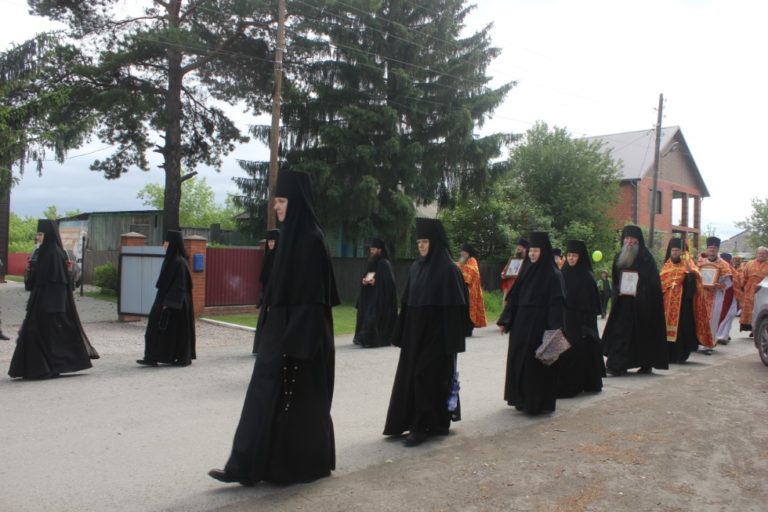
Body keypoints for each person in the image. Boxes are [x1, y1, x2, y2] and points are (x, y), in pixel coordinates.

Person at [209, 169, 338, 485]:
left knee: (299, 402)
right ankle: (244, 466)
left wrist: (295, 342)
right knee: (261, 397)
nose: (276, 207)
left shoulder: (312, 240)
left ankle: (294, 465)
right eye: (276, 201)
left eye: (282, 201)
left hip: (302, 337)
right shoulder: (287, 239)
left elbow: (314, 300)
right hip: (280, 332)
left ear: (296, 202)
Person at [383, 218, 466, 446]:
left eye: (425, 241)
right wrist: (399, 333)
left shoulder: (449, 270)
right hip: (415, 334)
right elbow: (407, 302)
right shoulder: (416, 268)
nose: (420, 246)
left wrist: (452, 343)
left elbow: (456, 310)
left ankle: (421, 428)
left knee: (425, 377)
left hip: (437, 337)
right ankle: (425, 423)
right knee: (412, 377)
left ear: (435, 242)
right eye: (418, 242)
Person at [9, 219, 99, 379]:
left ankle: (44, 368)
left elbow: (59, 283)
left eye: (40, 234)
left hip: (50, 305)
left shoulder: (54, 253)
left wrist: (54, 307)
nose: (37, 237)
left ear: (48, 234)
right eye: (37, 234)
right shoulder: (45, 252)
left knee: (41, 334)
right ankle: (39, 368)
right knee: (36, 333)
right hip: (41, 302)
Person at [497, 231, 565, 415]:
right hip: (520, 324)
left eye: (536, 251)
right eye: (531, 251)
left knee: (534, 364)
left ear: (544, 252)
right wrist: (505, 320)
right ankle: (519, 398)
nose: (533, 254)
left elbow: (556, 305)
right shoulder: (525, 270)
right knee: (518, 360)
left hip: (539, 325)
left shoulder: (554, 275)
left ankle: (535, 403)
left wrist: (553, 332)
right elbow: (514, 298)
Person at [601, 225, 668, 376]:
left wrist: (641, 291)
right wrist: (617, 291)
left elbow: (653, 282)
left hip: (642, 304)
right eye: (627, 239)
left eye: (632, 239)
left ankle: (645, 364)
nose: (629, 242)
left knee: (642, 334)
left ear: (638, 240)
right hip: (623, 303)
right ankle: (616, 365)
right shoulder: (619, 256)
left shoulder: (646, 257)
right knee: (620, 332)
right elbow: (616, 280)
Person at [137, 230, 196, 367]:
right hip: (165, 301)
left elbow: (180, 285)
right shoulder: (171, 260)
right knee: (155, 329)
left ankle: (177, 357)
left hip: (175, 304)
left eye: (167, 242)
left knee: (175, 332)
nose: (164, 245)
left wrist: (168, 303)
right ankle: (152, 357)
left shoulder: (180, 262)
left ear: (173, 244)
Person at [556, 239, 605, 398]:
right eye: (569, 255)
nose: (571, 258)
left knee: (580, 352)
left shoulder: (587, 277)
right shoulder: (562, 273)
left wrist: (586, 327)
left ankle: (581, 384)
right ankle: (565, 385)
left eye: (574, 255)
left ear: (580, 257)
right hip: (565, 320)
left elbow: (591, 306)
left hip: (581, 323)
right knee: (563, 352)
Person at [659, 238, 713, 363]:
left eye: (677, 250)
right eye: (673, 250)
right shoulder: (666, 266)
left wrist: (689, 274)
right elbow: (660, 283)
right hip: (666, 305)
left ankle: (680, 355)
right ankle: (667, 354)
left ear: (682, 252)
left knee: (682, 330)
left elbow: (696, 286)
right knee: (664, 329)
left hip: (683, 305)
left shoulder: (689, 266)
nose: (675, 253)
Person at [353, 238, 398, 348]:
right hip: (370, 297)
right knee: (363, 312)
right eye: (371, 249)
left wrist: (376, 282)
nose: (371, 251)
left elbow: (388, 284)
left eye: (373, 249)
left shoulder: (385, 264)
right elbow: (366, 275)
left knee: (372, 316)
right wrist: (364, 281)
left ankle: (372, 339)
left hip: (380, 300)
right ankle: (363, 338)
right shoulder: (371, 263)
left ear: (380, 250)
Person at [699, 237, 734, 347]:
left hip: (716, 296)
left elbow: (729, 282)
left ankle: (709, 344)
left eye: (714, 248)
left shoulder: (724, 264)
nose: (712, 250)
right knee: (701, 318)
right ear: (707, 249)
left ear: (717, 249)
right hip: (702, 295)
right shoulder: (701, 262)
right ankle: (699, 342)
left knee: (712, 320)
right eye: (710, 248)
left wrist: (719, 286)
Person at [253, 229, 279, 354]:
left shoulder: (280, 258)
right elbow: (265, 279)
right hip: (267, 294)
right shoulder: (268, 256)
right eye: (269, 241)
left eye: (273, 241)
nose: (271, 244)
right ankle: (262, 348)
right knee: (264, 321)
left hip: (276, 295)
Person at [457, 243, 487, 337]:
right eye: (461, 251)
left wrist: (459, 268)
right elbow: (457, 268)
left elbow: (469, 274)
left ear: (468, 252)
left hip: (471, 292)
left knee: (469, 311)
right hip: (463, 290)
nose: (461, 253)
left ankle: (468, 330)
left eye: (463, 251)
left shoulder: (472, 261)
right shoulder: (463, 261)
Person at [737, 246, 768, 336]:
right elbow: (744, 276)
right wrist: (742, 285)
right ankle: (752, 328)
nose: (761, 255)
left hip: (763, 290)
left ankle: (760, 329)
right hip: (749, 290)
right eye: (759, 253)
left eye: (763, 253)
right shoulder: (749, 264)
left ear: (767, 255)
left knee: (760, 309)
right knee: (750, 310)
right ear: (756, 254)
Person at [716, 252, 740, 343]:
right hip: (724, 294)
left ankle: (723, 335)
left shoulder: (729, 269)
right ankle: (721, 335)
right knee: (725, 315)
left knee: (728, 314)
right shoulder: (726, 268)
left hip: (729, 295)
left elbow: (733, 282)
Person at [500, 238, 528, 302]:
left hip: (521, 290)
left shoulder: (528, 261)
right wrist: (503, 274)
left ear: (525, 249)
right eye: (517, 246)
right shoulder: (513, 260)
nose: (518, 248)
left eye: (520, 246)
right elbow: (504, 271)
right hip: (510, 289)